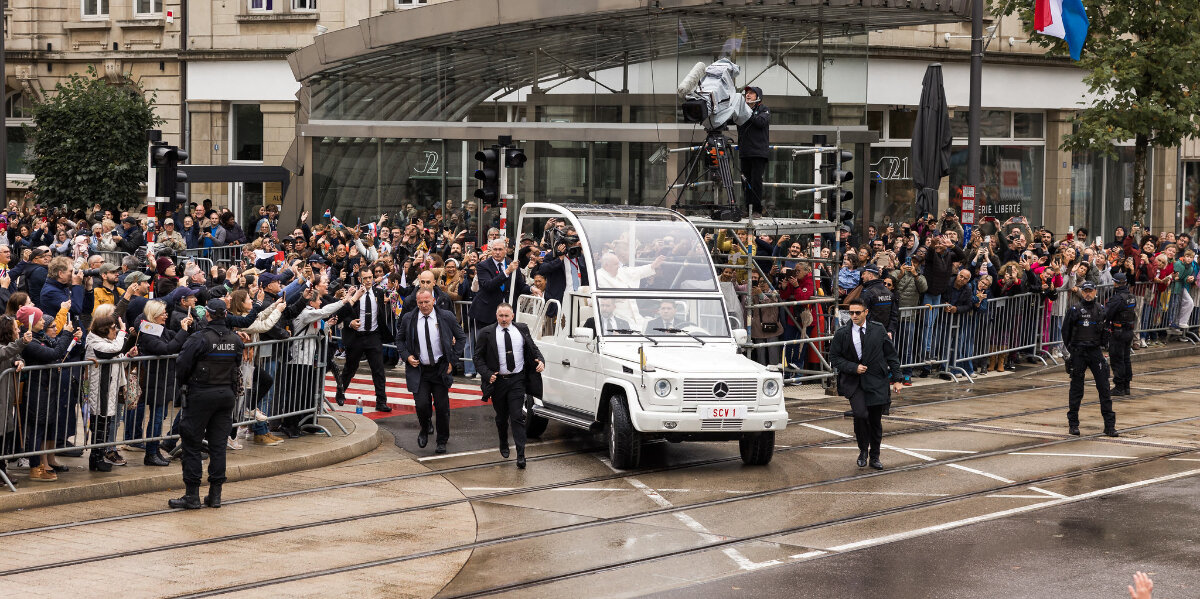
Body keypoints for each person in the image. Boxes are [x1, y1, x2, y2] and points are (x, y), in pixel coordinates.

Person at [169, 298, 245, 510]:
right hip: (225, 395)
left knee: (192, 444)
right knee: (218, 446)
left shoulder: (199, 338)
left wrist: (186, 384)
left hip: (200, 394)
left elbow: (182, 364)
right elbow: (237, 363)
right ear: (226, 315)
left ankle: (192, 495)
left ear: (208, 315)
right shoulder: (235, 339)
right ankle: (215, 495)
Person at [828, 298, 903, 470]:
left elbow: (891, 355)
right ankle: (863, 450)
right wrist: (853, 367)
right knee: (861, 415)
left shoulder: (878, 329)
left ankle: (874, 456)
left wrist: (898, 379)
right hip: (854, 382)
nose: (853, 316)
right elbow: (834, 358)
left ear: (865, 313)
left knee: (875, 420)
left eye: (857, 313)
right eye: (851, 313)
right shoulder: (842, 333)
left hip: (877, 381)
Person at [473, 302, 545, 469]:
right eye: (500, 316)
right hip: (498, 382)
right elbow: (478, 358)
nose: (504, 319)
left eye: (506, 316)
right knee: (501, 417)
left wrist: (541, 360)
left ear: (512, 316)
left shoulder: (522, 329)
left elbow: (533, 349)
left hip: (517, 380)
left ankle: (521, 454)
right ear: (496, 316)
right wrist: (487, 373)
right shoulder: (487, 333)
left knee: (517, 416)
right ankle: (503, 441)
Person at [395, 288, 467, 454]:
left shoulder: (446, 316)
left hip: (440, 368)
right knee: (421, 405)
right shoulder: (409, 318)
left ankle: (442, 440)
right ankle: (425, 426)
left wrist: (452, 361)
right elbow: (399, 339)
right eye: (420, 302)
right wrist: (407, 356)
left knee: (442, 407)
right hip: (419, 369)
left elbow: (461, 337)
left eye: (427, 302)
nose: (423, 305)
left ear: (433, 300)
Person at [1062, 281, 1117, 437]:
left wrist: (1104, 343)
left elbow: (1106, 330)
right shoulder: (1075, 310)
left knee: (1104, 388)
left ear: (1095, 292)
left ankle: (1109, 425)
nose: (1087, 294)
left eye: (1090, 291)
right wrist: (1071, 351)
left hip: (1095, 352)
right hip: (1079, 351)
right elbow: (1065, 331)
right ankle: (1073, 424)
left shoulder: (1101, 310)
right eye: (1085, 291)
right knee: (1076, 389)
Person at [334, 267, 393, 412]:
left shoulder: (378, 292)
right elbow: (344, 312)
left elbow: (379, 314)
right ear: (360, 279)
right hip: (356, 337)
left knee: (378, 369)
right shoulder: (354, 293)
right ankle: (340, 393)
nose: (368, 280)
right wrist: (350, 323)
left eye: (370, 277)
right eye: (365, 278)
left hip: (373, 335)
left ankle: (381, 401)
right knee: (350, 368)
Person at [737, 86, 770, 217]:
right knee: (746, 181)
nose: (748, 95)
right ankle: (748, 208)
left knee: (756, 182)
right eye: (747, 93)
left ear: (758, 96)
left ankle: (757, 209)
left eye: (751, 93)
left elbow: (761, 122)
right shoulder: (742, 110)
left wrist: (747, 111)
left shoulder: (764, 109)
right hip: (745, 152)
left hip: (758, 153)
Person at [1102, 272, 1137, 397]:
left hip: (1118, 332)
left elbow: (1107, 313)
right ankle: (1126, 385)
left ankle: (1119, 386)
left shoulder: (1117, 298)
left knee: (1117, 359)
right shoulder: (1131, 296)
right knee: (1126, 358)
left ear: (1115, 283)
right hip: (1128, 331)